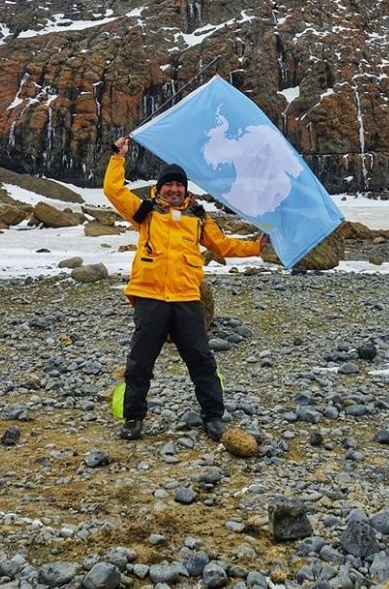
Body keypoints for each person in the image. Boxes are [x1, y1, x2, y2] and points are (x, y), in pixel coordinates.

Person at [104, 135, 268, 441]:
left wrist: (255, 248)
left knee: (202, 360)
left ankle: (213, 418)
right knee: (139, 363)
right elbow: (113, 190)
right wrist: (118, 156)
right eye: (169, 184)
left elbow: (223, 245)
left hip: (187, 299)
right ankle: (133, 419)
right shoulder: (146, 212)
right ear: (160, 186)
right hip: (150, 297)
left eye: (179, 185)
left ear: (185, 190)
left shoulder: (198, 218)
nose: (175, 189)